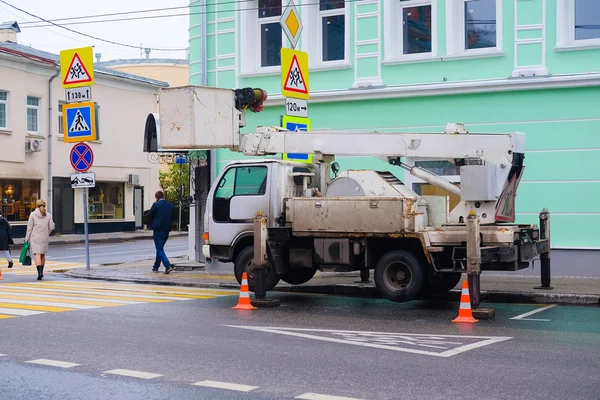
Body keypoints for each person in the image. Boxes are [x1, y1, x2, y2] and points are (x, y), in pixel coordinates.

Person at [25, 199, 55, 280]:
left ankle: (39, 273)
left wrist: (27, 238)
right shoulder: (48, 215)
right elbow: (52, 227)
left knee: (37, 254)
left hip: (35, 237)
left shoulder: (33, 214)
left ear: (36, 205)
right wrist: (46, 233)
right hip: (44, 237)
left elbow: (29, 228)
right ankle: (42, 271)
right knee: (42, 254)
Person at [146, 190, 175, 274]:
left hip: (158, 230)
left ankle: (167, 266)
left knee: (159, 249)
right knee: (160, 249)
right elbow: (173, 217)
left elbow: (150, 215)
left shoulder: (156, 205)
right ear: (163, 196)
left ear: (156, 198)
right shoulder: (170, 205)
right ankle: (156, 267)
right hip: (166, 230)